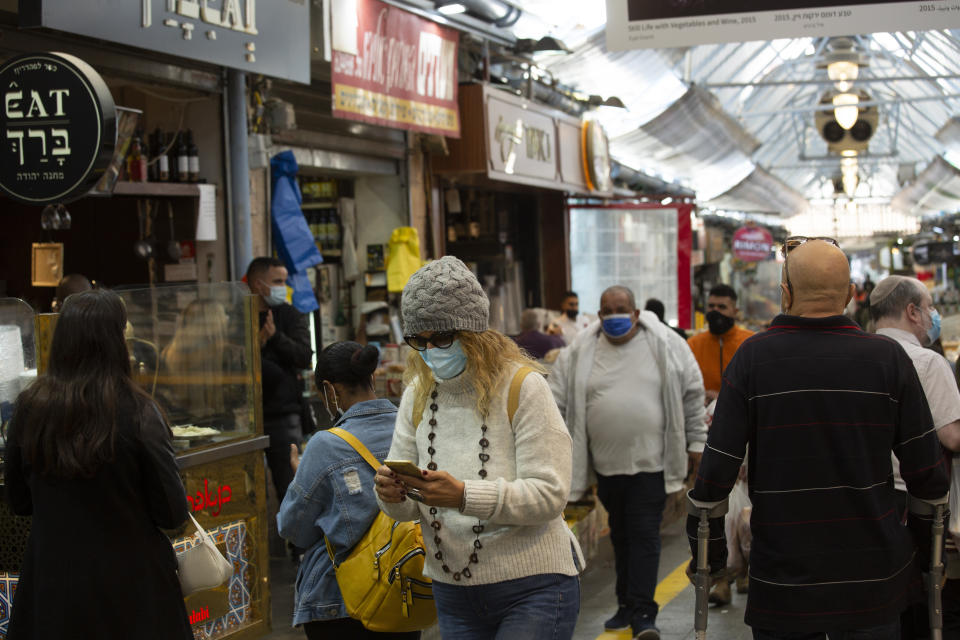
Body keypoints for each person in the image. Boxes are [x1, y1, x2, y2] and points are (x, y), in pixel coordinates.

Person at [688, 238, 949, 638]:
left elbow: (714, 476)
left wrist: (711, 556)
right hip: (872, 576)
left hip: (782, 578)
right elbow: (928, 474)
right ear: (848, 295)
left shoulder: (753, 359)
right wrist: (921, 550)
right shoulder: (887, 360)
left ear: (786, 293)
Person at [374, 256, 583, 640]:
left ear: (474, 333)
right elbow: (406, 507)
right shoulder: (418, 394)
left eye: (442, 338)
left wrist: (464, 495)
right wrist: (391, 493)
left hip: (533, 586)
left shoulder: (523, 386)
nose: (430, 350)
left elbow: (550, 494)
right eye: (418, 340)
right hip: (452, 591)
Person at [3, 289, 192, 639]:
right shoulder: (139, 411)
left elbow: (18, 500)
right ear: (115, 341)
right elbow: (173, 513)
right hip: (134, 589)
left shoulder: (30, 407)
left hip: (53, 585)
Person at [550, 285, 707, 640]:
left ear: (636, 313)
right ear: (599, 315)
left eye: (622, 308)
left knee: (644, 536)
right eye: (608, 310)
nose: (615, 315)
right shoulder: (580, 351)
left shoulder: (665, 345)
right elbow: (556, 399)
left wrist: (697, 441)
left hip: (651, 465)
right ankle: (625, 604)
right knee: (621, 536)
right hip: (606, 468)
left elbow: (693, 393)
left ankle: (643, 614)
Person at [277, 342, 418, 640]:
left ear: (330, 390)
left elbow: (293, 530)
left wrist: (299, 481)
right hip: (406, 588)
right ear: (371, 377)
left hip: (342, 600)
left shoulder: (324, 445)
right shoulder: (411, 428)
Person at [870, 275, 960, 638]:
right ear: (912, 311)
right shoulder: (927, 362)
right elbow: (951, 436)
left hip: (872, 500)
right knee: (928, 607)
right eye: (929, 308)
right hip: (915, 504)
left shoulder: (858, 356)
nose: (933, 316)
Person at [246, 257, 313, 504]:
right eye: (277, 281)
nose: (282, 287)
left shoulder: (289, 315)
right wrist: (258, 344)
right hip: (246, 417)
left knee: (290, 488)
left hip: (284, 416)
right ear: (258, 284)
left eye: (284, 281)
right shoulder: (241, 315)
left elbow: (304, 356)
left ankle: (296, 543)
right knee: (249, 492)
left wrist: (275, 338)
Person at [159, 299, 243, 423]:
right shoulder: (228, 353)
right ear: (214, 322)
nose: (227, 319)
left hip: (181, 423)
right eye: (223, 315)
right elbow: (238, 397)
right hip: (219, 422)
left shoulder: (169, 352)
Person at [687, 284, 755, 404]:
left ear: (735, 312)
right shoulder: (693, 345)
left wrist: (723, 398)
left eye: (722, 307)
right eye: (711, 306)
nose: (715, 311)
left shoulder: (750, 342)